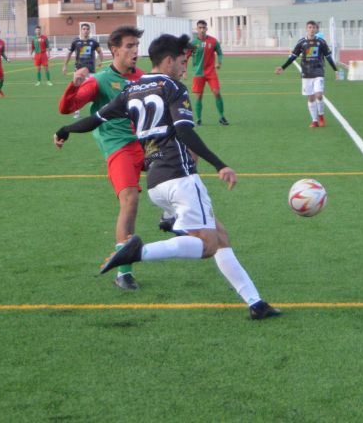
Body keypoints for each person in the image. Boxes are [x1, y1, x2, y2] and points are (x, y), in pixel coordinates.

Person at [54, 34, 280, 320]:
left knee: (219, 236)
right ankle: (139, 252)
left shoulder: (131, 88)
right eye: (182, 62)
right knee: (208, 245)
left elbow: (95, 119)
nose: (185, 68)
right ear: (169, 60)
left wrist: (65, 129)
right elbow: (185, 132)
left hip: (156, 183)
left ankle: (256, 303)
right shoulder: (173, 86)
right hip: (180, 177)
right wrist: (220, 165)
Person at [57, 26, 146, 290]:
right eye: (129, 46)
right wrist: (74, 86)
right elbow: (68, 108)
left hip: (146, 143)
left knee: (186, 156)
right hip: (119, 147)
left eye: (136, 46)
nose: (135, 51)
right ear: (114, 50)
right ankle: (124, 272)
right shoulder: (100, 80)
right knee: (130, 201)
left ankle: (171, 215)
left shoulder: (143, 77)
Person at [274, 20, 337, 128]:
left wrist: (335, 70)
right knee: (311, 98)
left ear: (316, 29)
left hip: (318, 71)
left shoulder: (321, 42)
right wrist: (283, 67)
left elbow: (328, 57)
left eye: (313, 28)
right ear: (306, 29)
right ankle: (314, 121)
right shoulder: (301, 42)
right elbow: (293, 56)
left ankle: (321, 115)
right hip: (306, 73)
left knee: (319, 94)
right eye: (309, 27)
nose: (312, 29)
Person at [186, 19, 228, 126]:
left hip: (211, 72)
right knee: (199, 97)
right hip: (198, 73)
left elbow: (219, 53)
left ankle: (222, 117)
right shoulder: (193, 43)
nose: (202, 30)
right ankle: (199, 119)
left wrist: (219, 62)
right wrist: (184, 71)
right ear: (197, 29)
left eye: (204, 28)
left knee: (217, 93)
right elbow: (185, 57)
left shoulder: (213, 41)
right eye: (200, 28)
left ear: (207, 29)